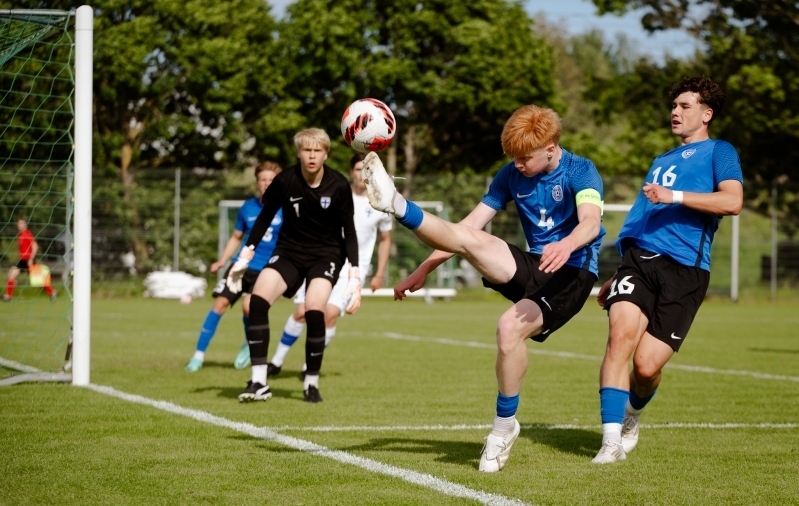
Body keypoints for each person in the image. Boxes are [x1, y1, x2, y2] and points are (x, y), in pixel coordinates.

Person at [361, 105, 605, 472]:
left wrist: (568, 244)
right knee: (472, 238)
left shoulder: (580, 170)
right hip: (534, 264)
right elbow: (469, 226)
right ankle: (397, 204)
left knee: (509, 328)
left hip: (573, 270)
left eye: (526, 158)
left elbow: (590, 223)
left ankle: (502, 429)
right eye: (514, 158)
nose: (519, 164)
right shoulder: (510, 175)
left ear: (552, 147)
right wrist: (423, 268)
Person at [592, 77, 743, 464]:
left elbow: (732, 201)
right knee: (619, 338)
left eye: (686, 106)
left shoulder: (720, 152)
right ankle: (609, 442)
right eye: (674, 106)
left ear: (707, 114)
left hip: (686, 271)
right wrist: (616, 272)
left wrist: (673, 196)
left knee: (645, 367)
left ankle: (632, 415)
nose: (676, 112)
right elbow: (639, 220)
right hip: (640, 262)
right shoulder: (660, 161)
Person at [228, 128, 361, 404]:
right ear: (299, 152)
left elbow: (349, 230)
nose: (312, 156)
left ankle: (311, 381)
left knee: (314, 310)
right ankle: (259, 381)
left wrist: (355, 274)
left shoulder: (338, 184)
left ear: (326, 153)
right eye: (306, 150)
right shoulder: (285, 179)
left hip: (326, 255)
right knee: (257, 301)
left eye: (317, 151)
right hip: (289, 252)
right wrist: (245, 255)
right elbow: (264, 218)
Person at [267, 152, 393, 377]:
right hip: (322, 260)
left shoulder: (381, 203)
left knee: (329, 314)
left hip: (353, 269)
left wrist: (380, 273)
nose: (362, 174)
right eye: (357, 169)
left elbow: (385, 240)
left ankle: (309, 367)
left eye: (367, 170)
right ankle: (276, 361)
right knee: (301, 312)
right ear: (351, 172)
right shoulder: (337, 192)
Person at [184, 162, 283, 372]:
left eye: (271, 180)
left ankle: (248, 345)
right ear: (257, 183)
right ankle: (198, 356)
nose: (267, 184)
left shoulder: (285, 210)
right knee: (219, 304)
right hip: (240, 266)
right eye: (263, 180)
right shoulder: (248, 207)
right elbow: (236, 236)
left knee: (248, 307)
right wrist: (222, 260)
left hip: (266, 271)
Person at [3, 219, 56, 302]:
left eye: (21, 223)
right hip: (22, 261)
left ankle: (52, 292)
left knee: (38, 280)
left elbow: (35, 246)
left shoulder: (27, 234)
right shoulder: (21, 235)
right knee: (11, 274)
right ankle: (8, 296)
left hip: (28, 260)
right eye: (18, 224)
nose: (19, 225)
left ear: (25, 225)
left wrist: (31, 258)